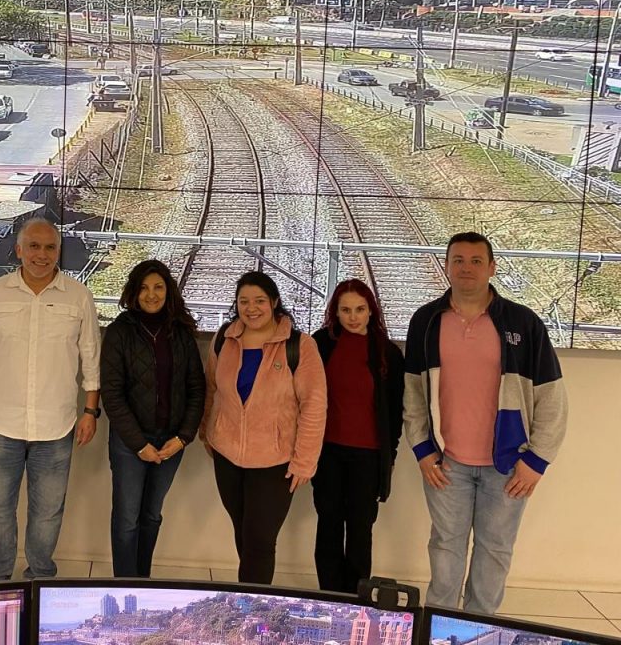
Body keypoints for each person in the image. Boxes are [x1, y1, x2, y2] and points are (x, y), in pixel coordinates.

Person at [404, 232, 567, 614]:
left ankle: (476, 627)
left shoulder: (523, 323)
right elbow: (412, 394)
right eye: (458, 259)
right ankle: (438, 625)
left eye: (476, 261)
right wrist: (423, 450)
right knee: (445, 547)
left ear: (492, 268)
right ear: (446, 266)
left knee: (494, 552)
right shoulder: (426, 322)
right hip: (447, 465)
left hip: (509, 466)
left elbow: (552, 399)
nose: (466, 268)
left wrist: (537, 460)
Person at [0, 218, 100, 581]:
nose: (42, 255)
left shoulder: (78, 296)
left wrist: (90, 410)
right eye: (35, 247)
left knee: (48, 512)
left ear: (59, 252)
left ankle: (40, 577)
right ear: (19, 250)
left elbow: (91, 358)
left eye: (50, 247)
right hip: (1, 424)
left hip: (57, 427)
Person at [200, 271, 326, 584]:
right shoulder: (224, 340)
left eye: (259, 301)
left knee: (259, 541)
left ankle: (252, 601)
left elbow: (314, 405)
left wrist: (305, 461)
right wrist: (208, 433)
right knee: (243, 534)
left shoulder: (300, 346)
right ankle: (250, 592)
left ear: (274, 302)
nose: (251, 308)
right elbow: (211, 389)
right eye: (244, 301)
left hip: (275, 463)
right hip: (228, 459)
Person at [100, 260, 205, 577]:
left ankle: (141, 580)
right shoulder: (120, 332)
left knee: (151, 516)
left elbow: (196, 388)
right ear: (134, 291)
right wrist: (139, 444)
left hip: (171, 442)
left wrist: (183, 437)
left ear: (168, 290)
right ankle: (124, 582)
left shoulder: (181, 332)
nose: (151, 294)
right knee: (127, 518)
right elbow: (112, 394)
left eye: (158, 287)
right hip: (130, 445)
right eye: (144, 287)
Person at [311, 279, 404, 593]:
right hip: (328, 453)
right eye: (346, 310)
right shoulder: (320, 344)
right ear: (335, 312)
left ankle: (356, 598)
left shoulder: (387, 353)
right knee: (329, 527)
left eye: (360, 309)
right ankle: (329, 595)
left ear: (371, 311)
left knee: (361, 531)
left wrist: (388, 459)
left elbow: (393, 412)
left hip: (368, 456)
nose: (353, 316)